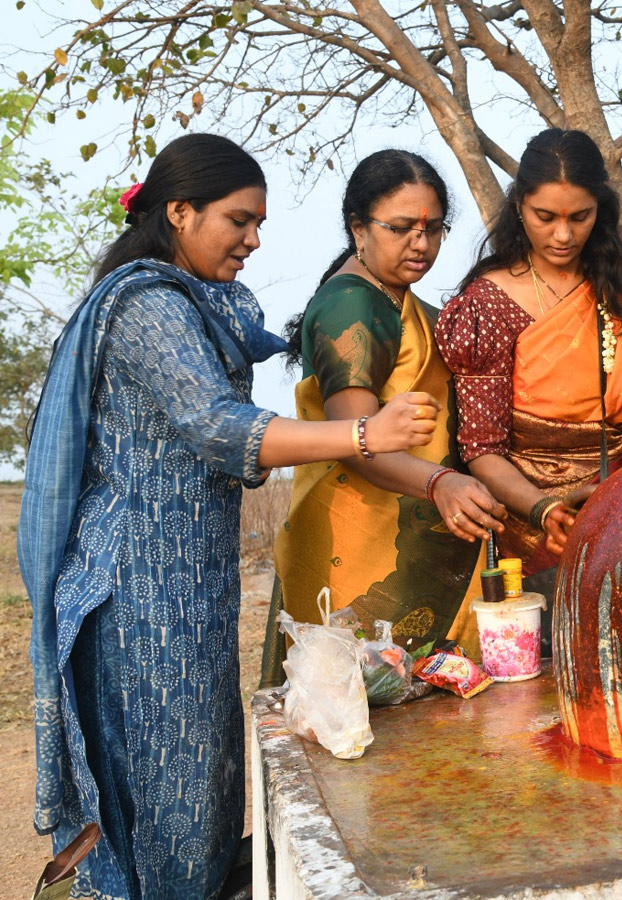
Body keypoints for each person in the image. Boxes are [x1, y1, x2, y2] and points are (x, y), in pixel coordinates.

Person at [19, 134, 439, 900]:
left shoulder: (202, 306)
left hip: (189, 589)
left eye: (260, 225)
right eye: (238, 221)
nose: (252, 240)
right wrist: (362, 434)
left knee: (204, 791)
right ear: (178, 212)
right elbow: (216, 425)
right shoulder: (147, 307)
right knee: (160, 800)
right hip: (136, 597)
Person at [261, 151, 505, 683]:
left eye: (434, 229)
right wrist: (441, 481)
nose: (421, 244)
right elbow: (359, 441)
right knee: (359, 714)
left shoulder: (393, 301)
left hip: (396, 534)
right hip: (360, 543)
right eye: (401, 228)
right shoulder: (354, 306)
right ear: (358, 229)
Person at [435, 128, 622, 600]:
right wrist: (544, 509)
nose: (563, 234)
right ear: (518, 206)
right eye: (545, 216)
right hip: (531, 532)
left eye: (580, 216)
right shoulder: (488, 303)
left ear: (601, 209)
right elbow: (481, 448)